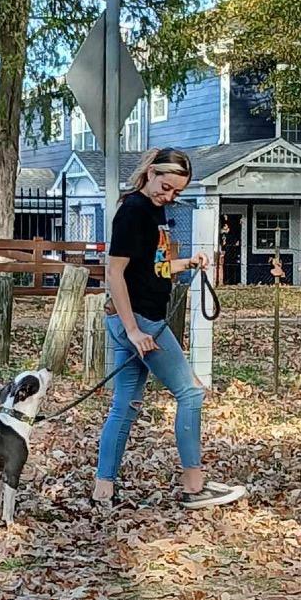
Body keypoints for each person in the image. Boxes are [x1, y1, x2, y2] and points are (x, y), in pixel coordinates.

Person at [92, 148, 247, 510]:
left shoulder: (154, 211)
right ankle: (195, 487)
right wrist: (133, 330)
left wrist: (187, 262)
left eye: (176, 192)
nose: (169, 196)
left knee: (125, 406)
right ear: (149, 173)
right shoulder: (133, 211)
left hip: (134, 320)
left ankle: (103, 490)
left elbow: (151, 267)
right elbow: (114, 273)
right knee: (190, 392)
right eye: (166, 187)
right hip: (141, 322)